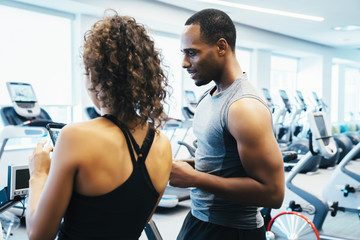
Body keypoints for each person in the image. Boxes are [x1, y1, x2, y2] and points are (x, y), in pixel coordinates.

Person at [26, 10, 172, 240]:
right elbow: (133, 218)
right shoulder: (163, 144)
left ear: (92, 75)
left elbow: (37, 235)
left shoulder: (75, 136)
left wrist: (38, 174)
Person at [169, 9, 285, 240]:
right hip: (199, 220)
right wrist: (184, 165)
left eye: (192, 53)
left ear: (221, 47)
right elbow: (220, 159)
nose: (184, 63)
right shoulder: (209, 96)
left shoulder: (244, 107)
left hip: (232, 231)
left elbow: (273, 194)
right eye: (184, 53)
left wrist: (193, 178)